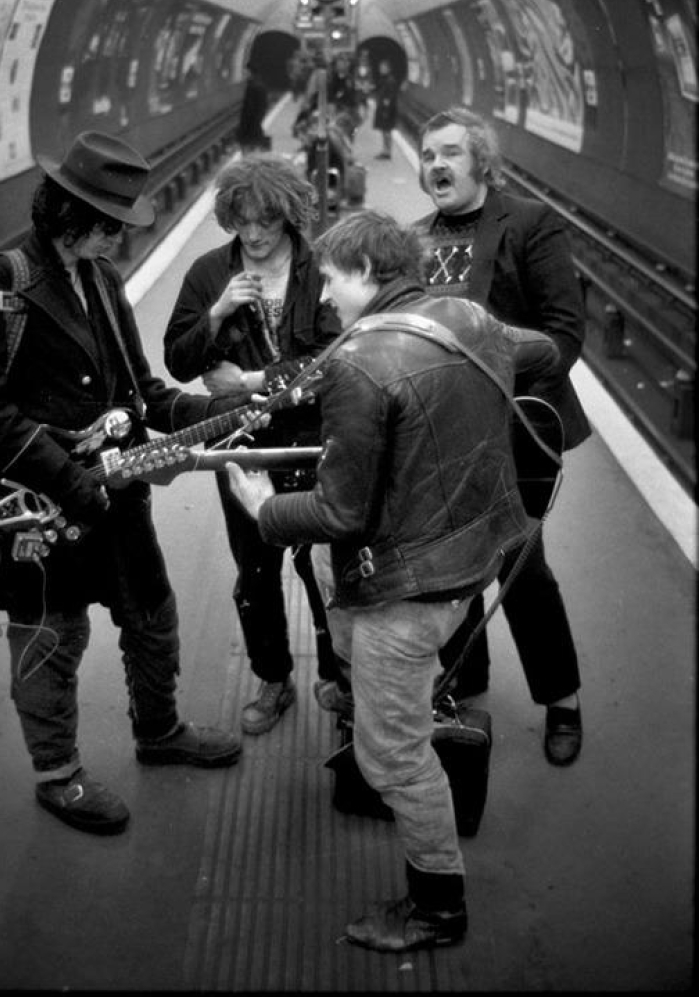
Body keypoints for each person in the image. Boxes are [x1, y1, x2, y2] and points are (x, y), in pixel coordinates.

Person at [226, 210, 559, 952]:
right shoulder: (469, 317)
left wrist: (262, 506)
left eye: (334, 279)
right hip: (470, 560)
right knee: (328, 584)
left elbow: (340, 512)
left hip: (403, 592)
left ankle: (437, 906)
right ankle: (363, 685)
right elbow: (539, 354)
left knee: (392, 757)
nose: (323, 299)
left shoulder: (357, 360)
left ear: (370, 275)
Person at [0, 131, 246, 837]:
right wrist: (73, 483)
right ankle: (58, 774)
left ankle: (159, 728)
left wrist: (209, 412)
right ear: (68, 213)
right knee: (51, 635)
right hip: (41, 504)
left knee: (152, 613)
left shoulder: (102, 280)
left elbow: (137, 389)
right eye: (110, 223)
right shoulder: (5, 282)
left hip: (115, 492)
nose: (118, 237)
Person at [414, 105, 590, 766]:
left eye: (450, 152)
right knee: (451, 561)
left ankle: (562, 698)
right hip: (440, 436)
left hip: (517, 427)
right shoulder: (413, 239)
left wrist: (487, 363)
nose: (436, 164)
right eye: (429, 153)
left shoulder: (529, 224)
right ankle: (467, 670)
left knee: (521, 568)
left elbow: (563, 333)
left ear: (480, 161)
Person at [163, 154, 343, 735]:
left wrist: (250, 381)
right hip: (241, 445)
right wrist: (216, 314)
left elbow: (335, 361)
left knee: (325, 566)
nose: (256, 234)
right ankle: (273, 678)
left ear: (289, 215)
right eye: (243, 222)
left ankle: (340, 677)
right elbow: (178, 360)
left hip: (315, 443)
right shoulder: (210, 274)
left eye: (267, 220)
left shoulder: (321, 271)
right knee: (255, 572)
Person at [237, 60, 270, 152]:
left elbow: (248, 111)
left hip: (249, 131)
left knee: (248, 156)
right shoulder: (261, 85)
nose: (244, 73)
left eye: (245, 71)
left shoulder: (251, 87)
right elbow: (263, 108)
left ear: (250, 72)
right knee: (254, 155)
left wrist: (242, 131)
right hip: (256, 130)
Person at [372, 58, 399, 159]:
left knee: (387, 131)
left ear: (388, 69)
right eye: (380, 67)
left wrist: (386, 111)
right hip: (384, 109)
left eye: (383, 68)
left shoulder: (390, 81)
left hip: (387, 110)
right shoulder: (384, 80)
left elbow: (389, 97)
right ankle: (385, 150)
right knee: (384, 131)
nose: (381, 69)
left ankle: (387, 152)